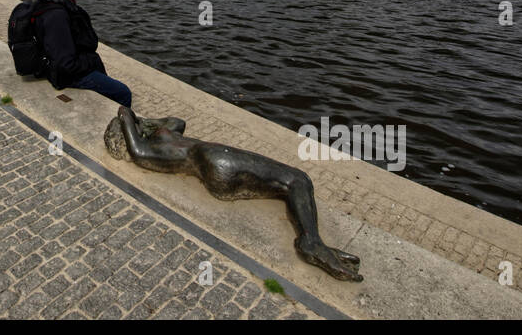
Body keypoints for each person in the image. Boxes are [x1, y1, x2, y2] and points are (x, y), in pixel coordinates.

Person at [104, 107, 363, 281]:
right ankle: (310, 243)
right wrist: (129, 118)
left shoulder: (163, 136)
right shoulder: (150, 148)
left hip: (214, 161)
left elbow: (177, 121)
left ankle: (312, 239)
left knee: (293, 181)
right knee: (295, 179)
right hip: (215, 163)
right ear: (129, 137)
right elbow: (135, 144)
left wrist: (140, 123)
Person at [31, 0, 132, 107]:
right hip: (64, 75)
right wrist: (91, 62)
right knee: (123, 92)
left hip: (67, 63)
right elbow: (65, 63)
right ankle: (121, 126)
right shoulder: (56, 15)